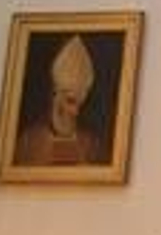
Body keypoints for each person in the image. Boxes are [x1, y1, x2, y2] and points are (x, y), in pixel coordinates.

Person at [16, 35, 109, 166]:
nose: (76, 112)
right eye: (70, 101)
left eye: (80, 103)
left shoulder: (92, 145)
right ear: (55, 97)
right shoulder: (28, 141)